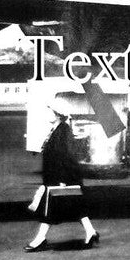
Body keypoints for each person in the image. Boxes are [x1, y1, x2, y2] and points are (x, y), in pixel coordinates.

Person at [24, 100, 100, 251]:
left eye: (50, 111)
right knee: (74, 208)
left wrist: (62, 180)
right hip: (58, 178)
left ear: (58, 114)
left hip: (60, 178)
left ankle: (40, 239)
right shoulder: (57, 129)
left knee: (49, 210)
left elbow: (66, 156)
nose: (48, 114)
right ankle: (90, 232)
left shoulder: (62, 131)